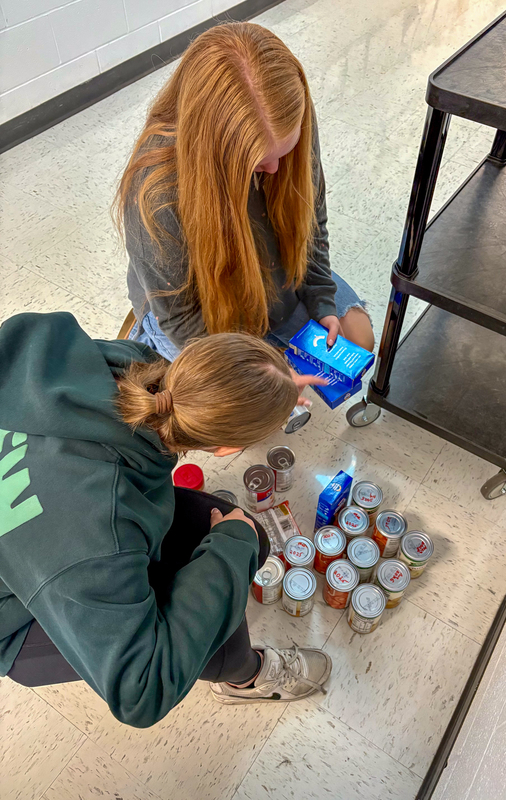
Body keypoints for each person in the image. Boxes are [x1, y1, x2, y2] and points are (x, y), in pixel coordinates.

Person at [0, 311, 331, 728]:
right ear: (227, 448)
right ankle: (244, 678)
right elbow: (141, 691)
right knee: (217, 584)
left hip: (51, 524)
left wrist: (267, 387)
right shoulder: (99, 535)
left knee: (240, 539)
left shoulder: (101, 355)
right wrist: (227, 550)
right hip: (13, 620)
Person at [116, 22, 374, 362]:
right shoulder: (156, 190)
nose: (275, 170)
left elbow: (312, 221)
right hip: (201, 307)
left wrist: (321, 298)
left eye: (283, 152)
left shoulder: (284, 116)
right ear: (212, 147)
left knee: (358, 338)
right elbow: (182, 319)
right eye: (256, 162)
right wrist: (253, 376)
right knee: (253, 405)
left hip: (272, 269)